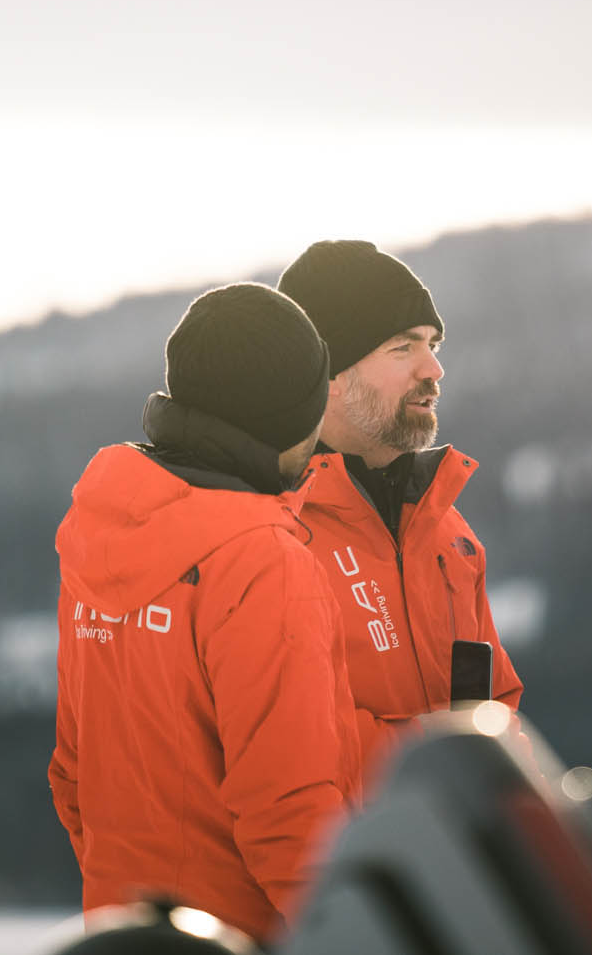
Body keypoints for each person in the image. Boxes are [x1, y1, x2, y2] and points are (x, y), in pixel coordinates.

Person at [48, 282, 360, 943]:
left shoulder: (102, 535)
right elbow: (291, 816)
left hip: (124, 937)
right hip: (239, 938)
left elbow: (73, 780)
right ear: (287, 418)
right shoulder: (263, 563)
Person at [277, 240, 524, 783]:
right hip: (353, 839)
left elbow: (498, 710)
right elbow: (292, 739)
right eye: (402, 347)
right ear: (329, 376)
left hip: (453, 832)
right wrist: (450, 771)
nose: (434, 368)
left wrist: (507, 791)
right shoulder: (275, 533)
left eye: (431, 344)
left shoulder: (445, 530)